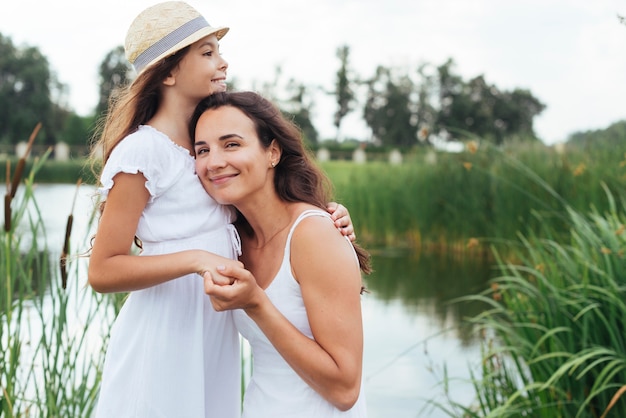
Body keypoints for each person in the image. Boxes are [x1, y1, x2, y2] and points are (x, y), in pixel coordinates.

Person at [87, 2, 355, 417]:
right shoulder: (143, 151)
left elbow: (259, 218)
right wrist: (197, 260)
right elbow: (102, 270)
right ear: (170, 72)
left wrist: (326, 215)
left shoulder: (204, 150)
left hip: (213, 334)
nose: (223, 62)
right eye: (208, 52)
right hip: (164, 335)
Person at [189, 90, 372, 417]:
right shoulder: (228, 238)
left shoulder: (313, 235)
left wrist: (257, 303)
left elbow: (345, 390)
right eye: (202, 150)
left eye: (232, 144)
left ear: (272, 152)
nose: (214, 162)